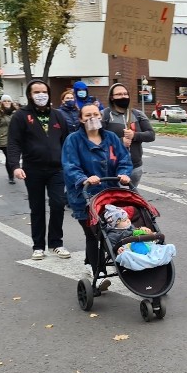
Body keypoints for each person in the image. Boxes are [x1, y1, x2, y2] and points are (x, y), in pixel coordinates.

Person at [62, 104, 132, 279]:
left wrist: (123, 173)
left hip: (110, 194)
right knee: (94, 234)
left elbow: (124, 158)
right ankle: (96, 270)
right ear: (80, 119)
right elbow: (70, 165)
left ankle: (124, 262)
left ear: (101, 116)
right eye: (87, 115)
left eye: (95, 114)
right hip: (85, 196)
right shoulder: (73, 140)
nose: (92, 117)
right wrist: (84, 178)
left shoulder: (111, 138)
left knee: (116, 231)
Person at [6, 79, 71, 260]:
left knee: (58, 204)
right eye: (36, 92)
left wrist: (70, 163)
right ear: (30, 95)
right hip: (32, 169)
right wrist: (14, 166)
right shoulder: (20, 116)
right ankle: (38, 246)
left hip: (57, 169)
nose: (41, 95)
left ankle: (56, 243)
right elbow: (13, 143)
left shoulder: (58, 116)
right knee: (37, 207)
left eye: (44, 91)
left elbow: (67, 142)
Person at [102, 82, 155, 187]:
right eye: (119, 94)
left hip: (135, 166)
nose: (123, 96)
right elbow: (98, 139)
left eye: (125, 94)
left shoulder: (137, 114)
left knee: (130, 198)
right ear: (112, 97)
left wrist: (134, 135)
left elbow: (151, 135)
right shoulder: (105, 115)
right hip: (113, 168)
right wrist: (120, 142)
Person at [0, 95, 19, 184]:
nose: (7, 102)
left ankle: (15, 171)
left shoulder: (16, 112)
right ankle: (11, 176)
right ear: (2, 103)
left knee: (15, 157)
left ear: (11, 102)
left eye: (8, 101)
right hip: (4, 139)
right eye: (5, 101)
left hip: (15, 138)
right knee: (9, 157)